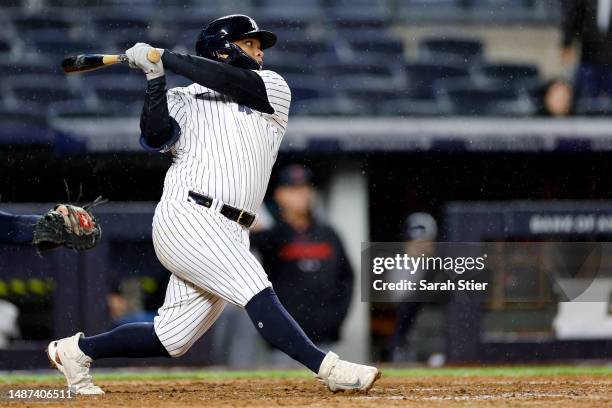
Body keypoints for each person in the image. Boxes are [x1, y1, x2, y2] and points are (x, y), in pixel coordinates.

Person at [46, 15, 380, 395]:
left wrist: (165, 56)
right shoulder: (182, 98)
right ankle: (327, 368)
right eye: (249, 43)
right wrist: (155, 79)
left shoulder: (271, 87)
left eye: (259, 46)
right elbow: (154, 136)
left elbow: (227, 80)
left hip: (232, 230)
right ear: (222, 48)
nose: (259, 51)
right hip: (187, 216)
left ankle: (77, 350)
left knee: (172, 338)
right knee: (253, 283)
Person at [251, 164, 354, 356]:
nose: (302, 194)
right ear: (279, 194)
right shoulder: (270, 237)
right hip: (283, 338)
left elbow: (347, 279)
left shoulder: (328, 234)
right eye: (294, 189)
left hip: (324, 337)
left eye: (305, 188)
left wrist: (334, 320)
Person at [561, 0, 612, 99]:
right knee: (585, 98)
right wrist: (567, 42)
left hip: (610, 61)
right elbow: (573, 16)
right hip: (589, 59)